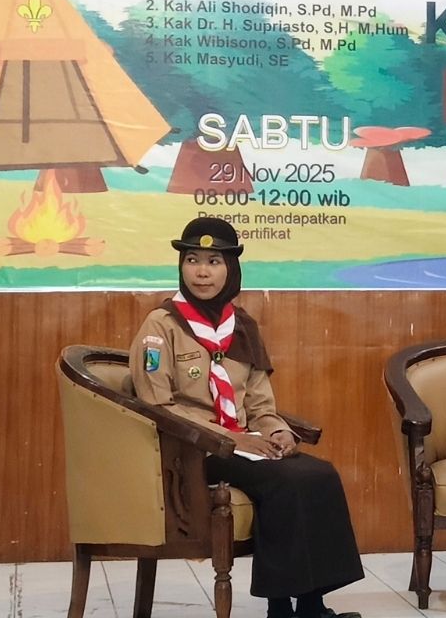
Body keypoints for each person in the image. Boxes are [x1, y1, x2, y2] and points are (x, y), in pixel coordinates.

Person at [129, 218, 363, 618]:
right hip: (194, 449)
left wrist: (278, 432)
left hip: (242, 446)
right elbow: (158, 407)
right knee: (285, 481)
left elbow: (260, 406)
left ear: (231, 269)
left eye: (214, 261)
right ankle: (279, 607)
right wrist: (233, 439)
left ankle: (311, 605)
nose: (202, 272)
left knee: (318, 474)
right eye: (192, 260)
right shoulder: (161, 325)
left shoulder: (241, 326)